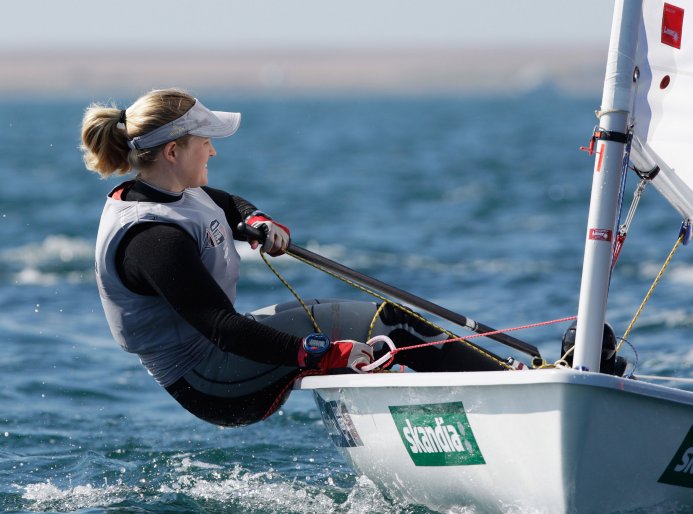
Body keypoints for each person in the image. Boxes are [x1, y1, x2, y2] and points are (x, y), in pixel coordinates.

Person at [82, 88, 511, 427]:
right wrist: (315, 353)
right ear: (173, 152)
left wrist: (256, 219)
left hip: (222, 358)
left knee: (370, 330)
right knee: (391, 325)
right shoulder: (152, 238)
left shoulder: (175, 192)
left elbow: (227, 204)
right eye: (205, 142)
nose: (213, 151)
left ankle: (453, 415)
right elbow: (222, 328)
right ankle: (510, 394)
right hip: (210, 382)